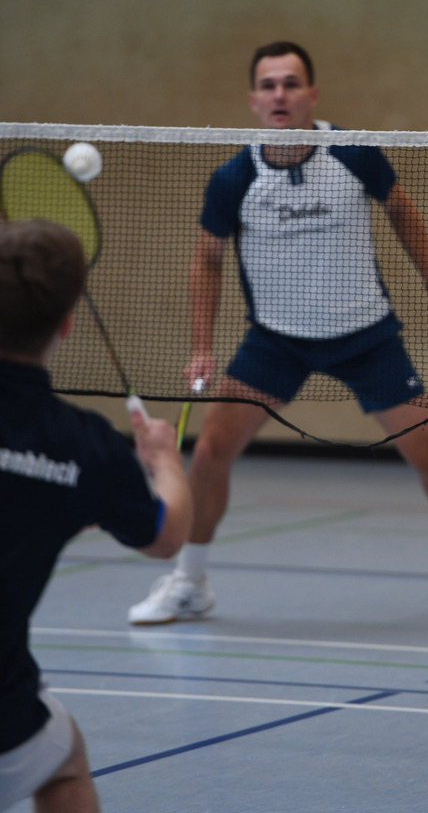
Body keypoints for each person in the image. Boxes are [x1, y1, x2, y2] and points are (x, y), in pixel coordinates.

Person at [128, 40, 428, 626]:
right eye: (268, 85)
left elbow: (400, 207)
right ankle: (189, 582)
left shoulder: (354, 152)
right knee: (209, 454)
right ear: (254, 101)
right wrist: (203, 347)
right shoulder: (234, 178)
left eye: (290, 83)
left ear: (312, 94)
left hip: (367, 336)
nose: (279, 94)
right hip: (275, 341)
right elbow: (206, 259)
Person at [0, 219, 192, 813]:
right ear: (65, 325)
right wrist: (163, 460)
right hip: (3, 714)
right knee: (63, 761)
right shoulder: (84, 449)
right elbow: (166, 536)